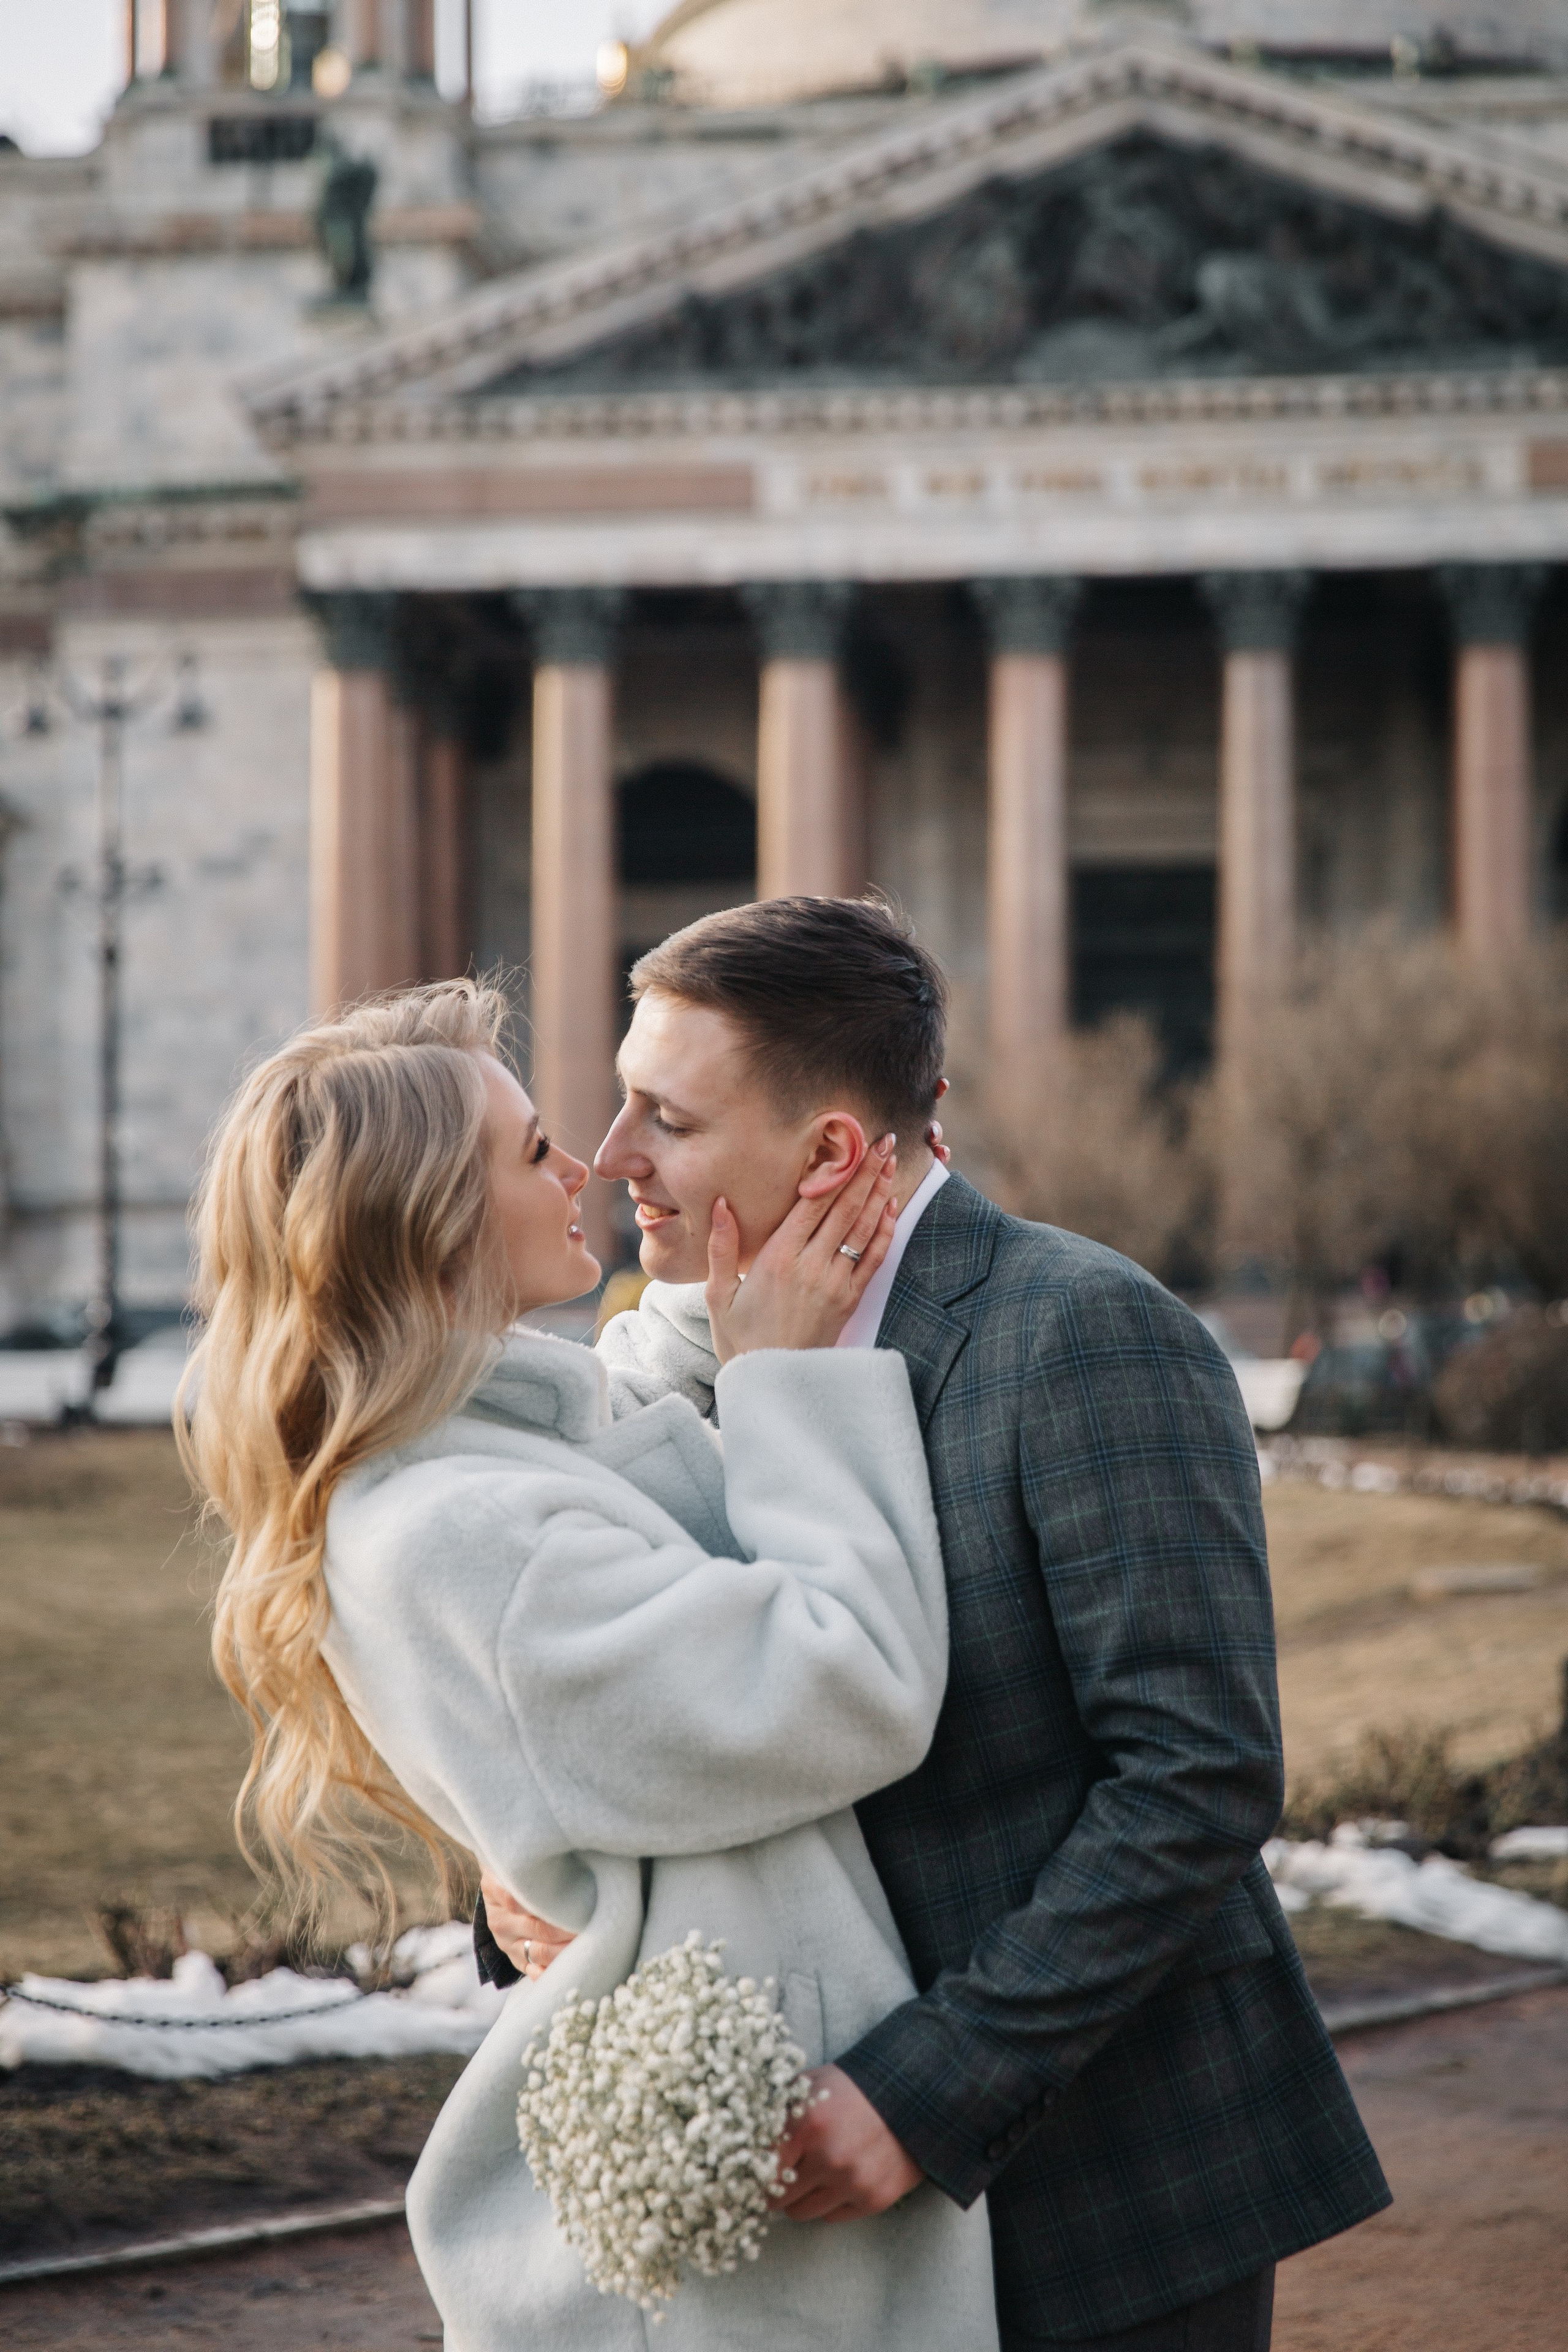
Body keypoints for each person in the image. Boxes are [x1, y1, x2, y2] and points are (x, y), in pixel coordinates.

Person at [480, 895, 1392, 2352]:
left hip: (1112, 2192)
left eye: (668, 1118)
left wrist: (924, 2091)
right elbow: (674, 1698)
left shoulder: (1082, 1332)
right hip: (813, 2235)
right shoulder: (673, 1363)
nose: (611, 1155)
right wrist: (518, 1873)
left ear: (833, 1153)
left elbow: (1194, 1776)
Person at [178, 980, 999, 2352]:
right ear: (434, 1223)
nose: (588, 1165)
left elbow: (624, 1437)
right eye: (532, 1150)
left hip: (747, 2125)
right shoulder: (462, 1533)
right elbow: (848, 1682)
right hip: (730, 2217)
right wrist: (791, 1377)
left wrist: (764, 1249)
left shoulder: (475, 1459)